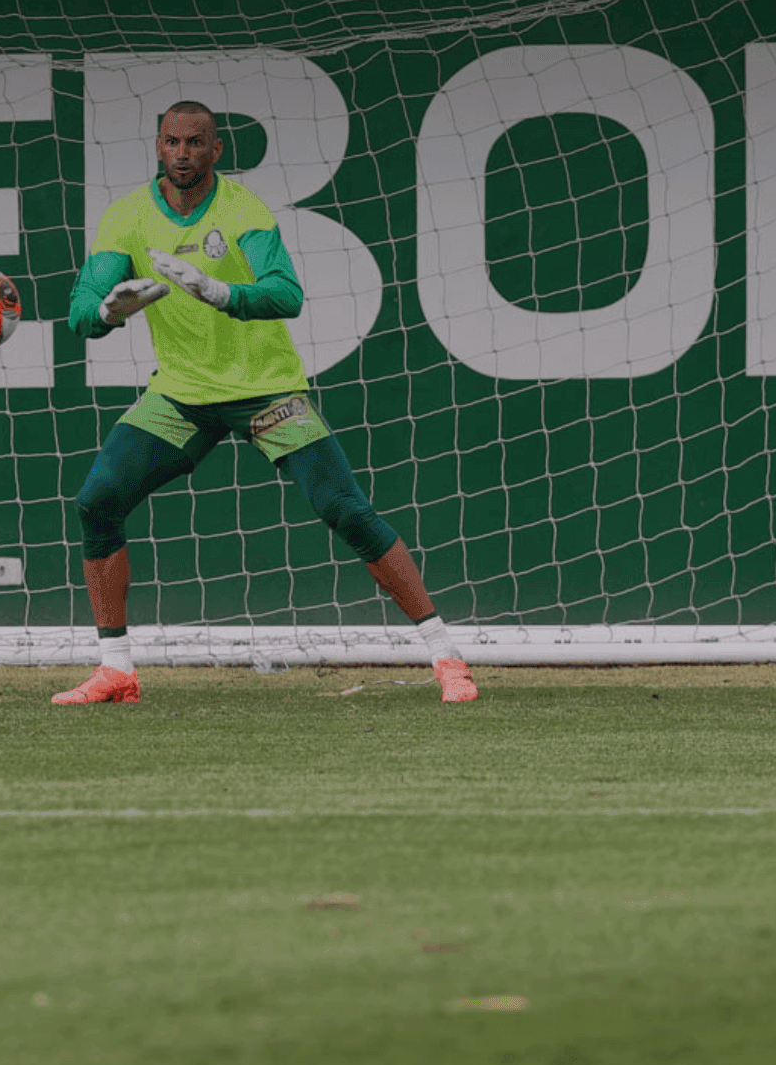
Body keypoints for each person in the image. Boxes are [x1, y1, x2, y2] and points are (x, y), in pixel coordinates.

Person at [53, 100, 477, 705]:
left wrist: (220, 291)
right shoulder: (125, 217)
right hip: (181, 394)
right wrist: (104, 312)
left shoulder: (243, 211)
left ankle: (446, 657)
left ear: (216, 149)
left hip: (266, 389)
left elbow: (286, 294)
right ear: (157, 147)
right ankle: (116, 669)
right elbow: (80, 309)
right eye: (172, 142)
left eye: (196, 142)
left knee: (345, 509)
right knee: (97, 500)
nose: (183, 154)